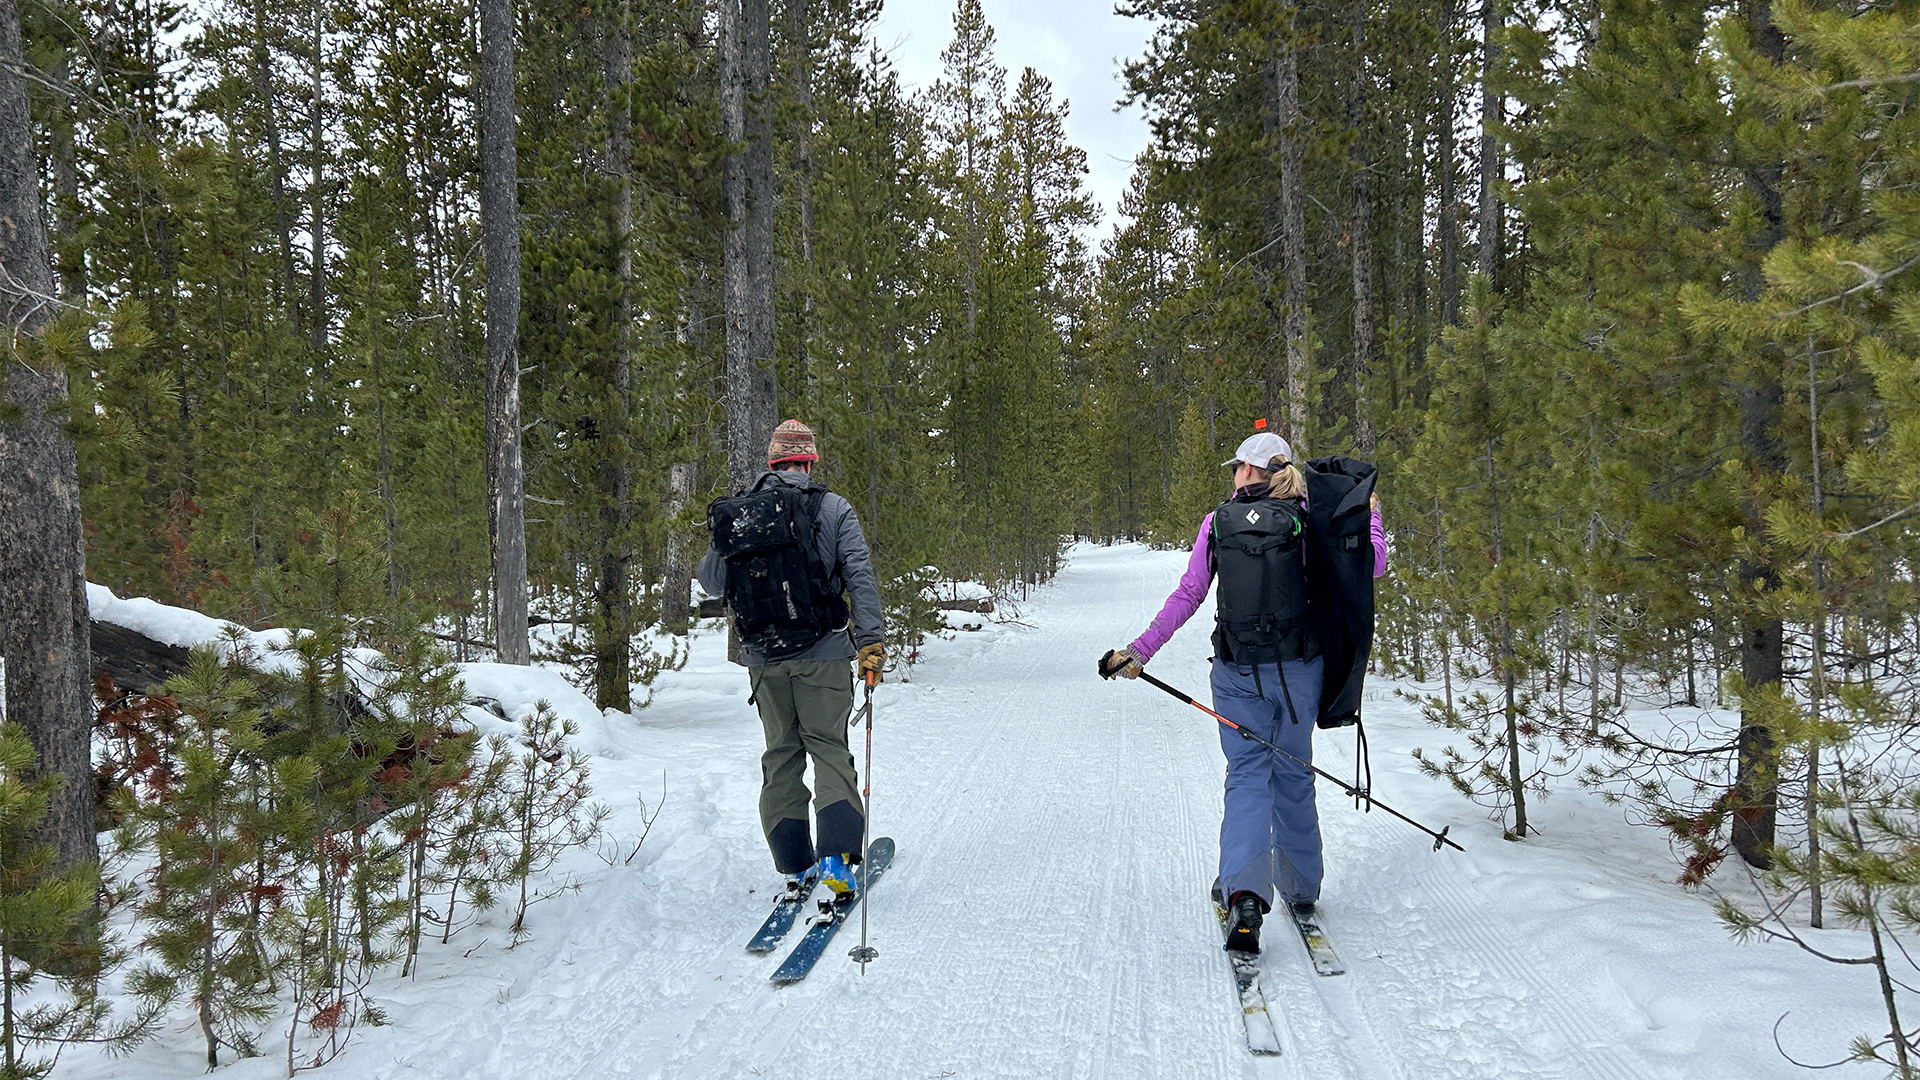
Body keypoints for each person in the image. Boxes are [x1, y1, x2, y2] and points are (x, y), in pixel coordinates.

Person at [1102, 430, 1386, 953]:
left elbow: (1188, 594)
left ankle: (1246, 896)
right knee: (1294, 772)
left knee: (1247, 775)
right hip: (1300, 674)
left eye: (1238, 466)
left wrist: (1140, 650)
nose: (1234, 473)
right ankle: (1301, 888)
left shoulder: (1218, 524)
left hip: (1236, 675)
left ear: (1251, 472)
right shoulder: (1309, 521)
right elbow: (1370, 566)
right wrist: (1371, 517)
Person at [697, 420, 887, 902]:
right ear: (809, 461)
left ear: (772, 462)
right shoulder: (833, 508)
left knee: (781, 755)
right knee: (827, 748)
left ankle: (794, 868)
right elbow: (859, 577)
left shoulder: (738, 511)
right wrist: (870, 642)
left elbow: (711, 582)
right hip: (823, 653)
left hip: (763, 659)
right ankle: (838, 869)